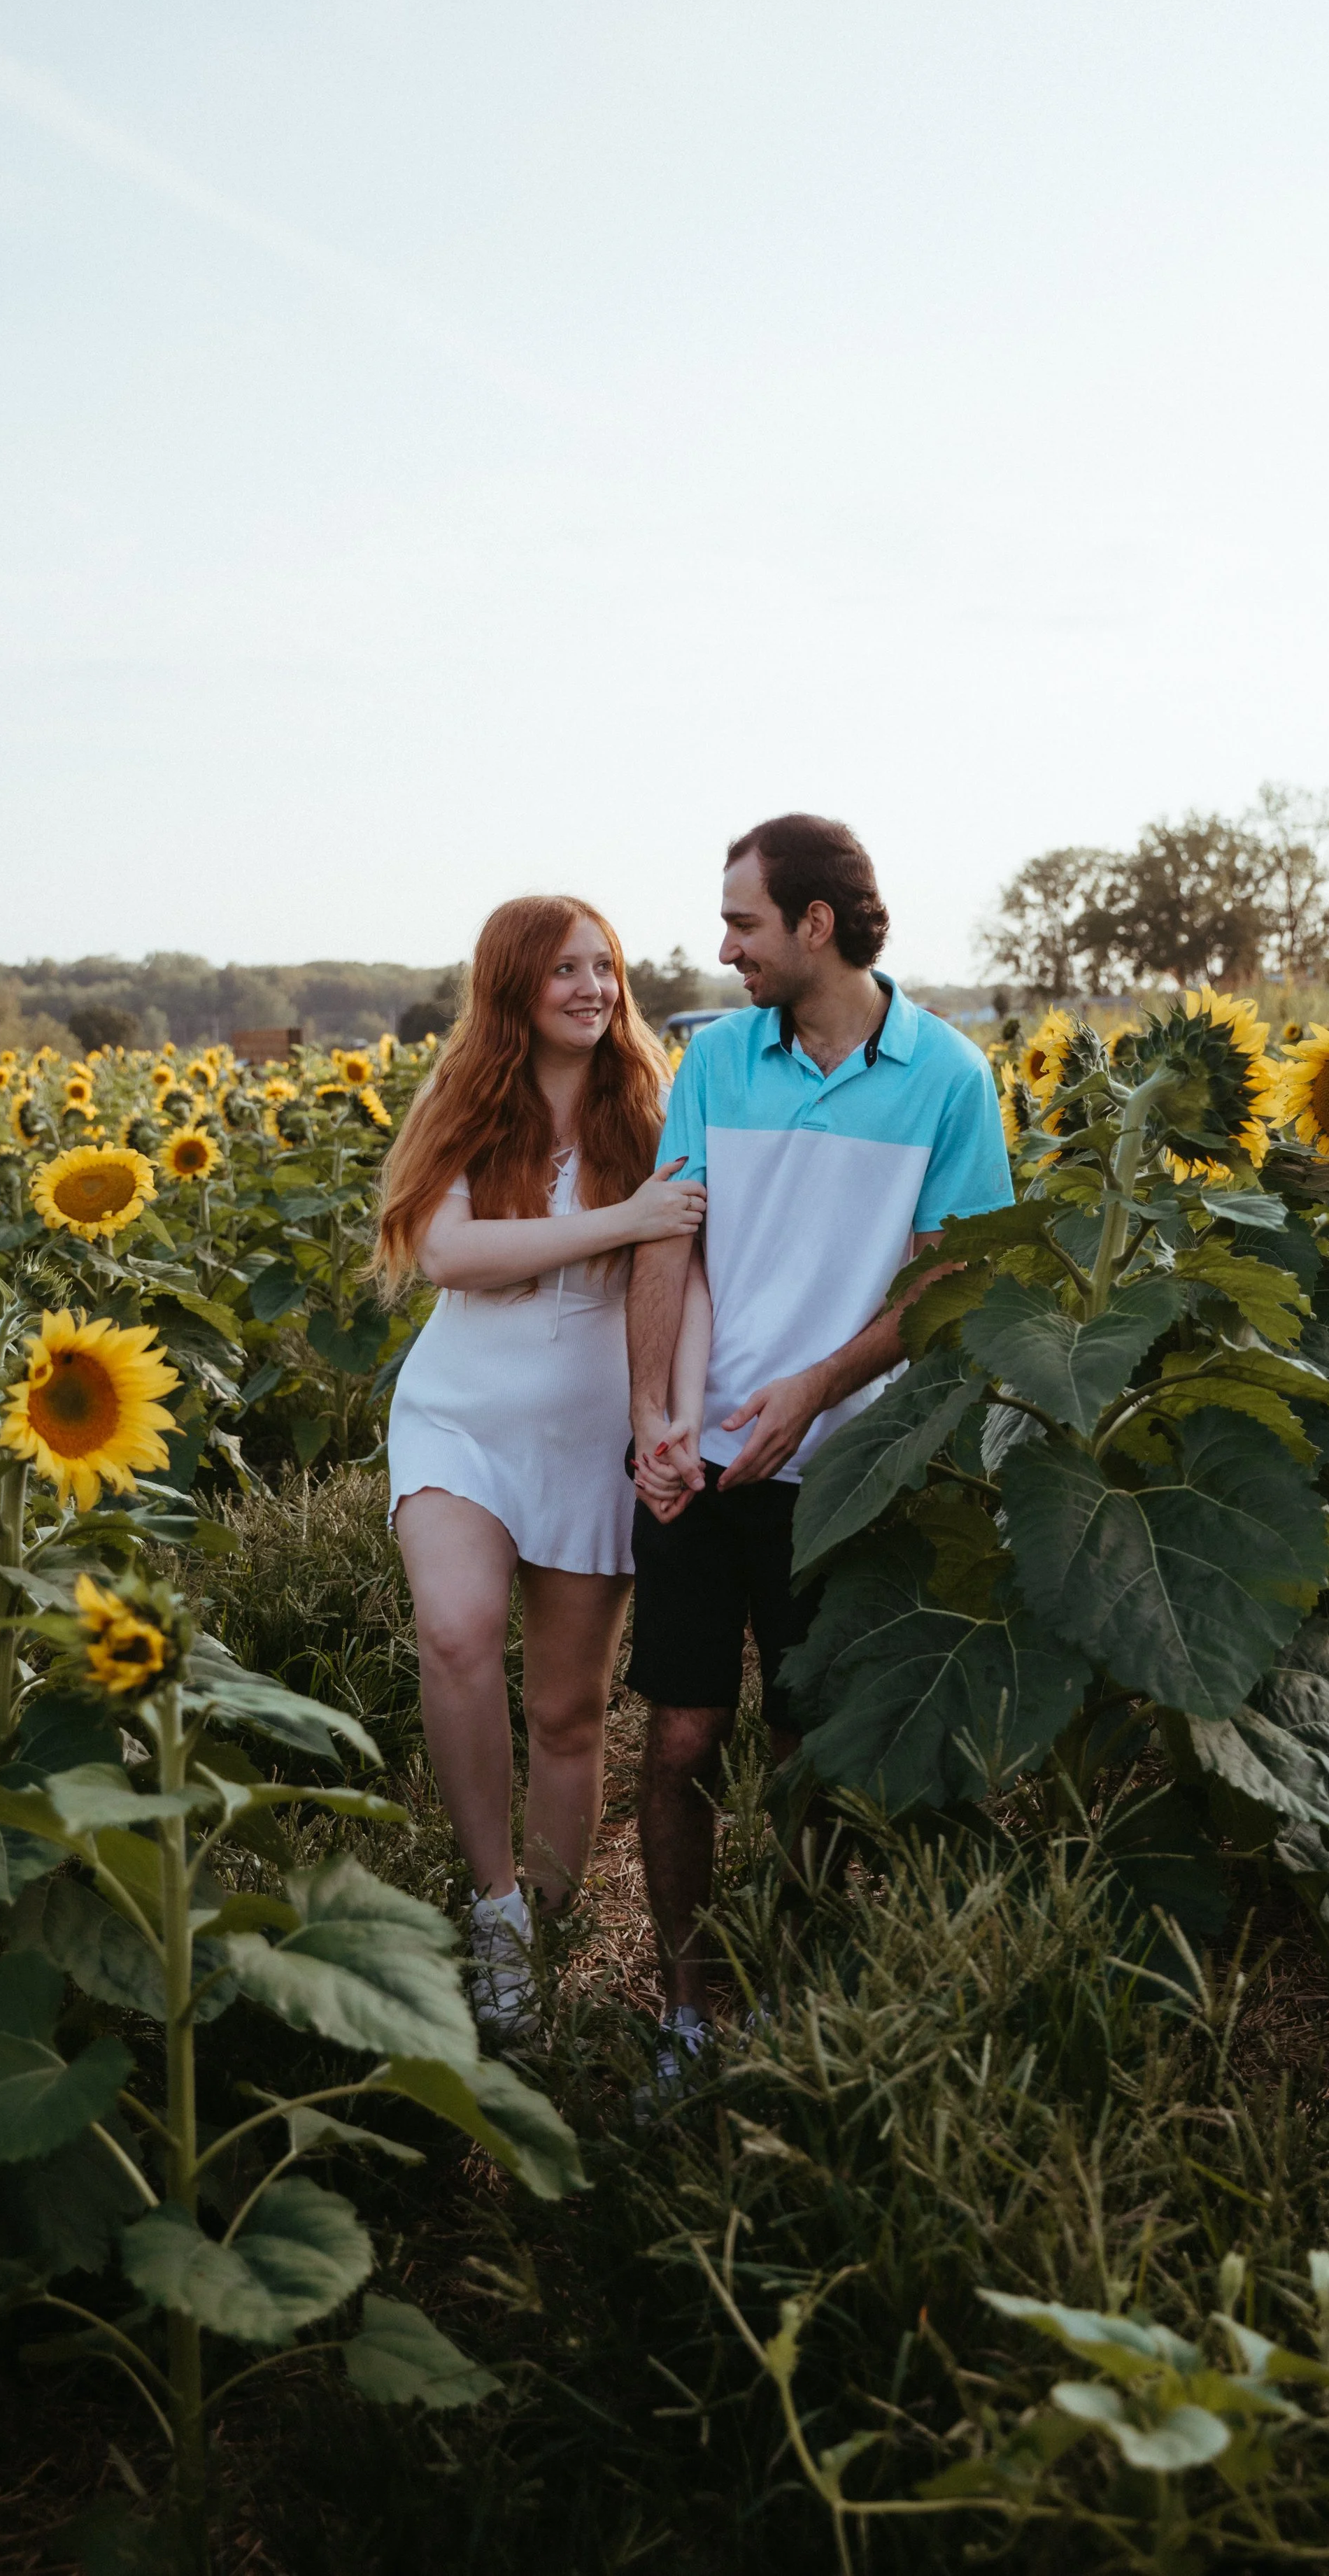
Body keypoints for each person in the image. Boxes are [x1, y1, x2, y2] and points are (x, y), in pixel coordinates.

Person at [627, 815, 1014, 2079]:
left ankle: (795, 1998)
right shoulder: (718, 1062)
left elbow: (949, 1275)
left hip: (844, 1470)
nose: (722, 944)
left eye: (742, 921)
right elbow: (667, 1243)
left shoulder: (947, 1077)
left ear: (816, 924)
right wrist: (653, 1417)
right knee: (681, 1739)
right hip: (696, 1458)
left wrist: (820, 1387)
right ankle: (687, 2010)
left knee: (806, 1751)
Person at [377, 896, 708, 2032]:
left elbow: (693, 1267)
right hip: (459, 1421)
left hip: (590, 1442)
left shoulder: (652, 1106)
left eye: (604, 968)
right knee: (458, 1628)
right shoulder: (468, 1099)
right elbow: (451, 1253)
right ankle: (495, 1909)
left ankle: (544, 1947)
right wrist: (625, 1221)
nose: (592, 989)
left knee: (568, 1714)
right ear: (513, 985)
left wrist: (674, 1413)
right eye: (564, 970)